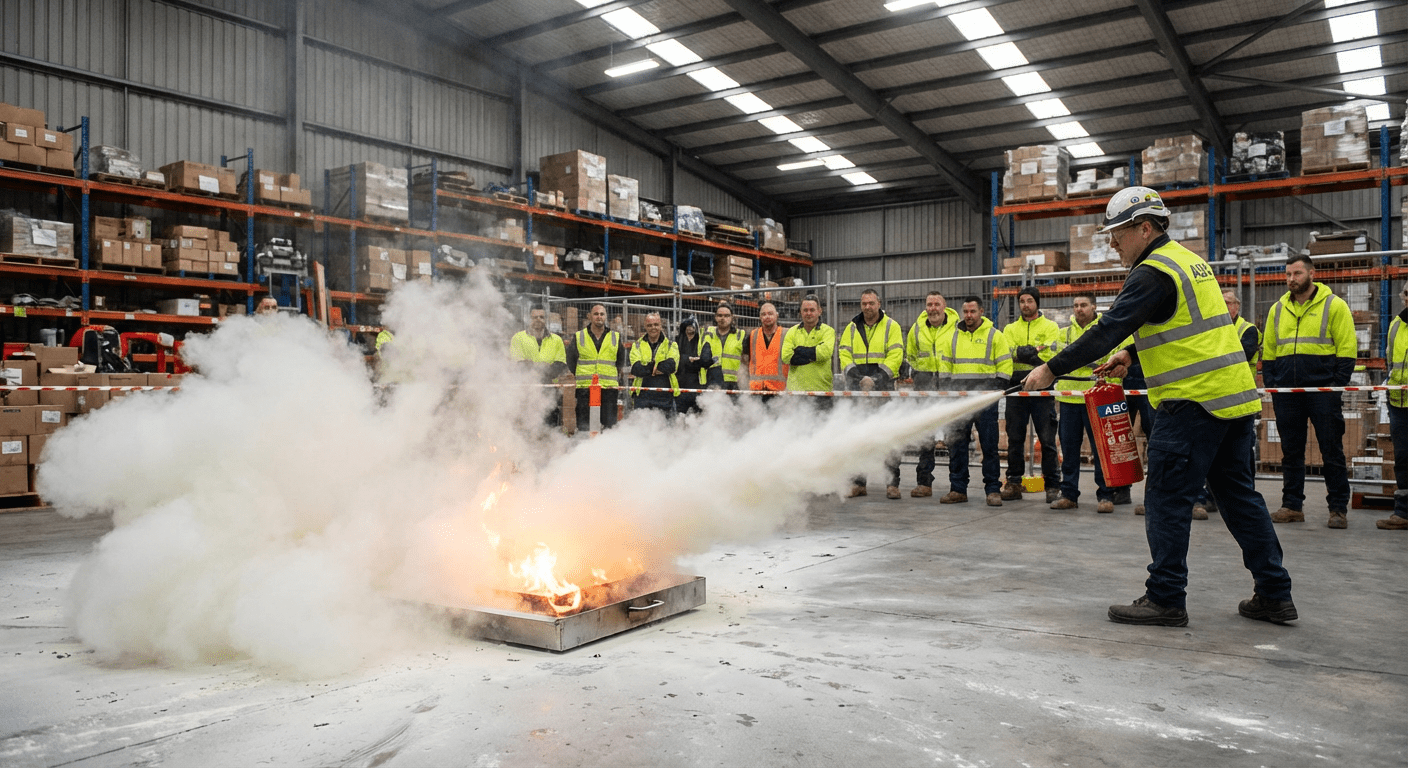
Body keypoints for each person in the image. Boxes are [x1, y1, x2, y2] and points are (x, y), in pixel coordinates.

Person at [1023, 186, 1294, 628]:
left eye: (1118, 233)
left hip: (1192, 403)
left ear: (1145, 228)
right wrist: (1133, 353)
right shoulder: (1189, 262)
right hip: (1233, 399)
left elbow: (1107, 328)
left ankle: (1166, 597)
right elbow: (1186, 324)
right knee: (1240, 498)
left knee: (1166, 500)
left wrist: (1051, 369)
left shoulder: (1151, 272)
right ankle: (1275, 594)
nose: (1113, 242)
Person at [1261, 252, 1357, 529]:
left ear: (1312, 274)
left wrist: (1335, 387)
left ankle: (1337, 508)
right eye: (1288, 274)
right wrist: (1273, 385)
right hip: (1287, 394)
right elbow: (1269, 351)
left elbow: (1347, 349)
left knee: (1331, 450)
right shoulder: (1277, 309)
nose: (1291, 279)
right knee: (1291, 452)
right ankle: (1292, 506)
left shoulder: (1334, 305)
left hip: (1322, 391)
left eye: (1297, 273)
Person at [1049, 291, 1124, 514]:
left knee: (1101, 449)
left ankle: (1106, 495)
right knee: (1069, 449)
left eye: (1083, 305)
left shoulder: (1106, 331)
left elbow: (1115, 361)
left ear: (1094, 307)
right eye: (1076, 305)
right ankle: (1069, 494)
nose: (1079, 309)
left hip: (1098, 397)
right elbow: (1054, 360)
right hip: (1070, 398)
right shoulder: (1064, 333)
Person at [1192, 289, 1262, 520]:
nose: (1224, 306)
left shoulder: (1247, 330)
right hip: (1213, 399)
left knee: (1241, 456)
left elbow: (1239, 356)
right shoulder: (1209, 328)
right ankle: (1209, 498)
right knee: (1208, 453)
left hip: (1240, 401)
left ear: (1237, 306)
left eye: (1228, 302)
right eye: (1220, 302)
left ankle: (1242, 501)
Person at [939, 296, 1012, 507]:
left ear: (981, 311)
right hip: (959, 400)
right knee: (957, 445)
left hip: (985, 400)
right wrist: (950, 392)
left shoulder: (995, 336)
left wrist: (995, 388)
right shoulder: (952, 337)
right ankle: (957, 489)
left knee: (989, 447)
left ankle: (993, 490)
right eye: (966, 312)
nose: (968, 316)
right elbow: (945, 367)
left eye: (972, 311)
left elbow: (1005, 366)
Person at [839, 288, 905, 499]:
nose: (867, 307)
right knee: (858, 437)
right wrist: (859, 378)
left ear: (879, 304)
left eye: (871, 303)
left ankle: (892, 484)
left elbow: (896, 355)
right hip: (858, 389)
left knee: (889, 437)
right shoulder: (851, 327)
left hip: (883, 388)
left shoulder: (891, 326)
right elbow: (844, 354)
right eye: (864, 303)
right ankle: (858, 483)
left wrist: (875, 379)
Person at [1000, 286, 1061, 503]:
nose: (1025, 305)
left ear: (1037, 303)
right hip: (1016, 387)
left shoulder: (1051, 327)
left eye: (1029, 301)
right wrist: (1034, 351)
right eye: (1022, 301)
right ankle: (1014, 483)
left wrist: (1027, 354)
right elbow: (1007, 352)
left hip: (1043, 387)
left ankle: (1052, 485)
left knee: (1047, 439)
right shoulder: (1009, 329)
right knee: (1015, 438)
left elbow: (1051, 352)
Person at [904, 291, 958, 497]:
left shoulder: (957, 327)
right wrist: (920, 374)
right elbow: (911, 355)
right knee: (926, 436)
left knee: (954, 436)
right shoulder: (917, 328)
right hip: (924, 384)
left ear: (944, 307)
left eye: (936, 304)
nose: (933, 309)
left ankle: (957, 486)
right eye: (929, 304)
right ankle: (924, 482)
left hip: (949, 383)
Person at [565, 303, 627, 432]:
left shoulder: (615, 336)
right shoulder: (579, 336)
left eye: (602, 314)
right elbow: (570, 360)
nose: (599, 317)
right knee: (584, 426)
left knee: (609, 426)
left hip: (608, 388)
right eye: (596, 314)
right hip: (585, 388)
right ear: (589, 316)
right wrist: (580, 373)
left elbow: (620, 360)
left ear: (606, 316)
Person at [510, 307, 570, 427]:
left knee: (550, 427)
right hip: (526, 391)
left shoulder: (556, 340)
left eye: (541, 317)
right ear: (529, 319)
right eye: (534, 317)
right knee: (527, 427)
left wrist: (532, 365)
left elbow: (560, 365)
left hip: (549, 392)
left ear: (546, 319)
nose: (538, 319)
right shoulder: (518, 338)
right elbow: (518, 364)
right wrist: (545, 366)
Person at [1379, 281, 1408, 530]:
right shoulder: (1396, 325)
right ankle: (1403, 512)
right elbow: (1391, 363)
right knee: (1403, 458)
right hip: (1399, 403)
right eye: (1406, 293)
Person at [628, 312, 679, 418]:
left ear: (660, 325)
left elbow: (671, 366)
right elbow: (636, 369)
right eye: (650, 325)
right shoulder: (637, 345)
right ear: (645, 326)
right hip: (642, 398)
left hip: (665, 398)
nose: (653, 328)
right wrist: (655, 368)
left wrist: (647, 368)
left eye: (656, 324)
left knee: (667, 428)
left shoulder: (671, 345)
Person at [781, 294, 834, 394]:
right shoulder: (792, 331)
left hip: (821, 390)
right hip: (795, 391)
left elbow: (825, 353)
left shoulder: (828, 331)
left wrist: (799, 351)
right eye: (805, 310)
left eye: (812, 310)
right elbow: (786, 357)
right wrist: (814, 354)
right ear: (801, 312)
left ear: (819, 311)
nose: (808, 313)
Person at [743, 302, 788, 402]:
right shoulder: (752, 335)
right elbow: (745, 361)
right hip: (756, 392)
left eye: (770, 313)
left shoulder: (786, 334)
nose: (767, 317)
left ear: (777, 315)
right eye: (764, 314)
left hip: (780, 392)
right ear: (760, 317)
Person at [674, 315, 713, 415]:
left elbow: (705, 358)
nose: (690, 328)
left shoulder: (700, 341)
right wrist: (688, 359)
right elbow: (675, 357)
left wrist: (697, 360)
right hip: (681, 379)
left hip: (697, 379)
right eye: (688, 326)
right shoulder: (678, 341)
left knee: (698, 411)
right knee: (680, 411)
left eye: (692, 326)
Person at [703, 303, 745, 390]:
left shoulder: (740, 335)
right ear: (715, 317)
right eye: (720, 315)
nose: (723, 318)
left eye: (726, 316)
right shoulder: (708, 334)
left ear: (732, 317)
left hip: (734, 383)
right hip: (713, 382)